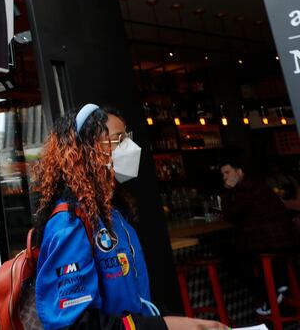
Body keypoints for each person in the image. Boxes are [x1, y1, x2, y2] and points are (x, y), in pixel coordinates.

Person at [32, 104, 226, 330]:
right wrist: (166, 326)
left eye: (128, 138)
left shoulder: (112, 213)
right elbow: (75, 325)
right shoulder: (70, 222)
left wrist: (178, 322)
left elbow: (133, 300)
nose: (130, 147)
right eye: (119, 139)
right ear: (86, 149)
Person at [220, 158, 298, 315]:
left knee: (229, 256)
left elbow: (230, 214)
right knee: (245, 252)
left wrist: (228, 191)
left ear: (239, 171)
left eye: (228, 172)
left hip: (270, 244)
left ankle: (270, 295)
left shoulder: (244, 189)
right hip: (287, 241)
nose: (225, 177)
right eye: (222, 174)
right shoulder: (258, 184)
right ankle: (279, 282)